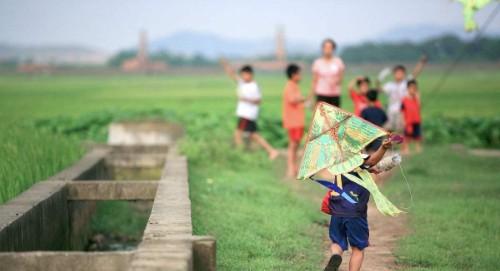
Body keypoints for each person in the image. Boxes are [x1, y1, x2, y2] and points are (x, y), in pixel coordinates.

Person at [322, 138, 394, 271]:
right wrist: (383, 148)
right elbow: (372, 161)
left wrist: (372, 169)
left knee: (337, 242)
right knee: (358, 248)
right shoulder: (358, 158)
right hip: (354, 211)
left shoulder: (337, 160)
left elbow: (364, 168)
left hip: (336, 209)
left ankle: (335, 255)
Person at [220, 59, 279, 160]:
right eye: (242, 75)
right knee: (253, 135)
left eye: (245, 75)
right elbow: (232, 74)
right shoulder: (242, 83)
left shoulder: (254, 86)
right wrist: (225, 64)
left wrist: (245, 99)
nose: (243, 77)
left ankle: (240, 155)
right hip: (245, 114)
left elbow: (258, 101)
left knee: (238, 134)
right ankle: (271, 151)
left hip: (247, 114)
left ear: (251, 74)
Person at [381, 55, 427, 132]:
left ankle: (401, 143)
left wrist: (421, 63)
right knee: (387, 130)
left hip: (402, 111)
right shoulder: (389, 85)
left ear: (404, 74)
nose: (399, 74)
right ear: (394, 74)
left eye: (401, 73)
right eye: (397, 73)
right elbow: (379, 90)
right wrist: (381, 77)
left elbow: (415, 73)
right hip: (391, 111)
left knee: (401, 130)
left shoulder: (406, 83)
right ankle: (389, 143)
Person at [282, 63, 306, 178]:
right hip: (293, 121)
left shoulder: (295, 86)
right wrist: (302, 98)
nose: (301, 76)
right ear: (293, 75)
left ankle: (294, 167)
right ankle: (290, 168)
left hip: (298, 120)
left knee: (296, 144)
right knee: (293, 144)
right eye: (299, 74)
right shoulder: (290, 86)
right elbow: (292, 99)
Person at [309, 39, 345, 107]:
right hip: (321, 94)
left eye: (330, 48)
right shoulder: (318, 62)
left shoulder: (338, 61)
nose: (328, 50)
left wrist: (336, 81)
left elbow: (341, 78)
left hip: (334, 95)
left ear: (333, 49)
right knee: (322, 116)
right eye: (326, 47)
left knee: (334, 117)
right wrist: (311, 96)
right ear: (322, 49)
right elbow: (314, 80)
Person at [401, 79, 422, 154]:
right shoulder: (404, 100)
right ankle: (406, 149)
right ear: (408, 88)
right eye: (412, 88)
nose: (413, 90)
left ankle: (418, 148)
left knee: (417, 136)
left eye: (415, 88)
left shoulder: (416, 99)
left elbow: (419, 107)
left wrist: (418, 97)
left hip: (416, 120)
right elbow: (402, 111)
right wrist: (403, 120)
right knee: (407, 136)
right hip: (408, 121)